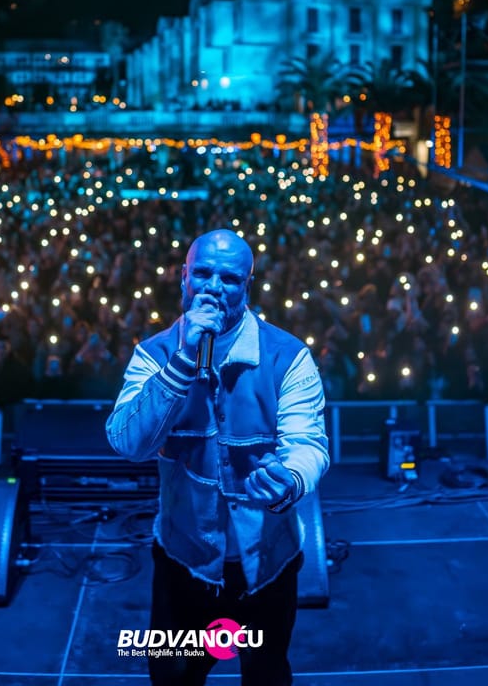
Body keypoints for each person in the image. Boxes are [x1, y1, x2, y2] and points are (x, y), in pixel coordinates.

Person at [106, 229, 329, 686]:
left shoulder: (287, 356)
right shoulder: (154, 354)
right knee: (174, 678)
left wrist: (289, 479)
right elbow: (128, 443)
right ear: (183, 277)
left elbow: (309, 443)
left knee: (266, 676)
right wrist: (182, 361)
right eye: (203, 273)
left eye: (228, 278)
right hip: (185, 563)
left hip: (266, 564)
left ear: (248, 285)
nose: (212, 287)